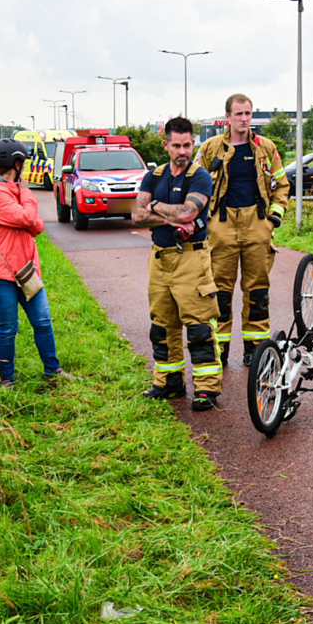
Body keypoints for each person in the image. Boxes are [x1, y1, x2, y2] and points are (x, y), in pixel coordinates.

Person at [133, 117, 222, 411]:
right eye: (176, 146)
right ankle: (168, 383)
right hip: (160, 258)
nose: (182, 151)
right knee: (162, 326)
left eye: (187, 145)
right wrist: (168, 215)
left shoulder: (201, 177)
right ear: (166, 145)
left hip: (191, 258)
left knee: (198, 327)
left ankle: (207, 389)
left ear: (192, 143)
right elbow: (136, 216)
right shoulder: (154, 176)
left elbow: (186, 213)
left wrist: (156, 207)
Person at [198, 94, 290, 367]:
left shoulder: (266, 148)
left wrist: (273, 218)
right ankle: (220, 350)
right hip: (221, 225)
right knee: (221, 292)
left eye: (248, 113)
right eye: (239, 114)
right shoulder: (210, 148)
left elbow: (282, 185)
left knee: (258, 290)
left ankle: (256, 349)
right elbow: (195, 186)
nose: (244, 119)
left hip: (256, 223)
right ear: (228, 117)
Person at [0, 139, 71, 388]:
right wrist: (27, 193)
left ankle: (53, 370)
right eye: (23, 163)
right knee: (8, 327)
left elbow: (36, 226)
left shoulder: (12, 190)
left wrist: (28, 213)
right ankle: (6, 378)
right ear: (17, 163)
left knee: (42, 321)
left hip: (25, 269)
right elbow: (31, 219)